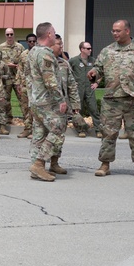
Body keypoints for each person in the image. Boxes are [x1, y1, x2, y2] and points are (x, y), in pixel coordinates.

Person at [89, 19, 134, 179]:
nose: (114, 33)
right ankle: (105, 164)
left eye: (118, 31)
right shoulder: (107, 51)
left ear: (127, 31)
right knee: (108, 133)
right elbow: (98, 68)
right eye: (113, 30)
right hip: (112, 99)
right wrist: (94, 73)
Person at [26, 23, 65, 182]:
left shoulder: (32, 52)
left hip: (35, 100)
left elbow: (28, 77)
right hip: (46, 101)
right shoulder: (45, 54)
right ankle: (39, 164)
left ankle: (36, 167)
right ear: (49, 34)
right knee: (58, 128)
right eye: (54, 33)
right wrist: (61, 100)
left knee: (40, 133)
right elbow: (50, 81)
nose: (55, 35)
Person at [47, 35, 81, 176]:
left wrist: (75, 104)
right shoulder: (45, 63)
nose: (61, 47)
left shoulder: (64, 64)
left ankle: (54, 163)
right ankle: (39, 163)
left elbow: (72, 85)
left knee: (59, 136)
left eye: (61, 44)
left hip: (62, 107)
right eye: (58, 44)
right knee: (43, 136)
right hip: (46, 106)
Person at [69, 41, 103, 138]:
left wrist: (97, 83)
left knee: (94, 109)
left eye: (90, 48)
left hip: (89, 89)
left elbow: (101, 72)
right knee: (78, 110)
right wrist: (71, 83)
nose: (90, 50)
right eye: (88, 48)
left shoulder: (93, 61)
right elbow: (67, 72)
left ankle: (98, 130)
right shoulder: (74, 61)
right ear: (82, 49)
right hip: (78, 89)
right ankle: (81, 130)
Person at [0, 28, 24, 134]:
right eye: (7, 34)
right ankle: (6, 120)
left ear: (14, 35)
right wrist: (8, 65)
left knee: (22, 98)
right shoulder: (1, 47)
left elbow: (23, 60)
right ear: (5, 35)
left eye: (11, 34)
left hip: (17, 77)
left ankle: (27, 121)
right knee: (5, 100)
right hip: (6, 77)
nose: (9, 36)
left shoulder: (20, 47)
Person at [14, 33, 37, 138]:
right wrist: (18, 83)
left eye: (33, 41)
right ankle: (27, 129)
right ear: (27, 42)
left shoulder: (38, 54)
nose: (32, 43)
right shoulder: (23, 54)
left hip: (36, 86)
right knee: (25, 108)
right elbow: (20, 69)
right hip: (24, 85)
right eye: (30, 41)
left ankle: (35, 130)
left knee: (34, 109)